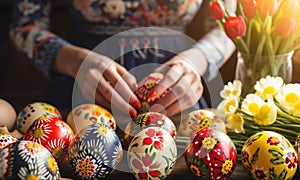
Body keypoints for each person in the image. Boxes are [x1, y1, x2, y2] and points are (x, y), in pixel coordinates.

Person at [9, 0, 235, 121]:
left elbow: (229, 28)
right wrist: (74, 61)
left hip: (177, 95)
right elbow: (25, 26)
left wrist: (196, 61)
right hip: (80, 91)